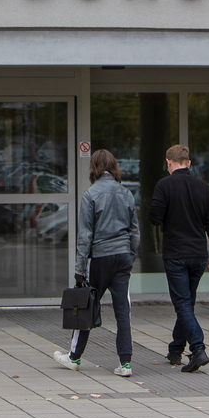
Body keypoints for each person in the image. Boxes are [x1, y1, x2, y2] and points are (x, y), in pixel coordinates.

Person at [54, 149, 139, 377]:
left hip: (99, 257)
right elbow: (135, 231)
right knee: (123, 310)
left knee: (87, 305)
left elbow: (85, 235)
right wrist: (130, 255)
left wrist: (80, 270)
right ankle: (126, 363)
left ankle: (74, 357)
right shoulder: (127, 193)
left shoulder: (90, 195)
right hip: (122, 257)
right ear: (113, 167)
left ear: (94, 168)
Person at [149, 144, 209, 373]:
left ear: (168, 162)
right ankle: (176, 348)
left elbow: (155, 218)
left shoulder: (164, 185)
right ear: (188, 163)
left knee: (182, 304)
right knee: (187, 303)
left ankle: (198, 349)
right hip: (199, 255)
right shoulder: (204, 188)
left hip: (176, 254)